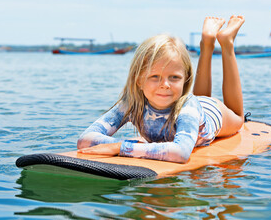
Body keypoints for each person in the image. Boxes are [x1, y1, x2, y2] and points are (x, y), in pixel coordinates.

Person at [77, 15, 245, 163]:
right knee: (194, 99)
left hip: (212, 113)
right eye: (154, 77)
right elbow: (85, 140)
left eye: (175, 78)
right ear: (139, 80)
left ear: (185, 80)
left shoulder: (189, 108)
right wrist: (135, 147)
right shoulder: (132, 103)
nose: (165, 84)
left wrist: (122, 148)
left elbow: (181, 152)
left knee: (238, 118)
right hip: (191, 107)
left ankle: (226, 43)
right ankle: (207, 43)